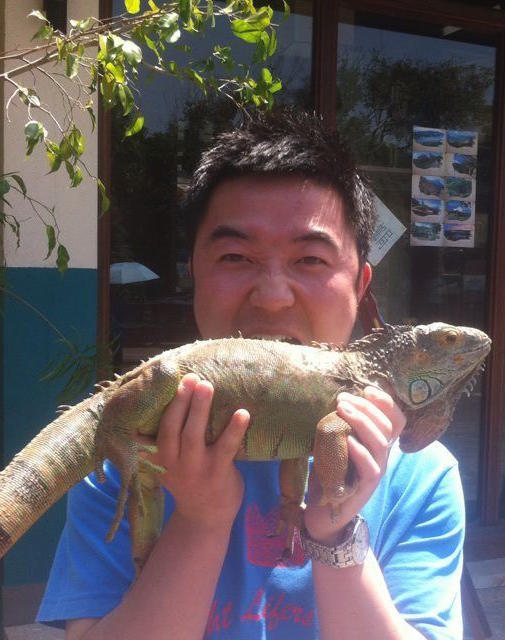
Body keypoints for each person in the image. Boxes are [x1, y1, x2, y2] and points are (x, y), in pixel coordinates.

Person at [38, 110, 465, 639]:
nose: (273, 297)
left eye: (310, 260)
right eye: (237, 256)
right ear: (193, 272)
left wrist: (334, 537)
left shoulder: (421, 478)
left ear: (361, 287)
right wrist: (200, 520)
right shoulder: (122, 453)